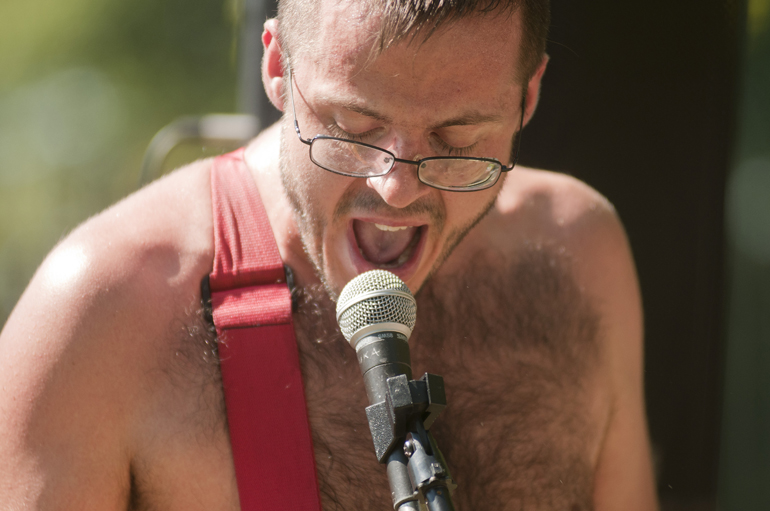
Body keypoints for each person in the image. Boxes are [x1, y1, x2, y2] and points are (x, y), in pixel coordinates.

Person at [0, 0, 659, 509]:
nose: (395, 185)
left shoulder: (579, 253)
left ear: (528, 96)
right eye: (353, 128)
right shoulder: (103, 308)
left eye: (457, 137)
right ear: (278, 68)